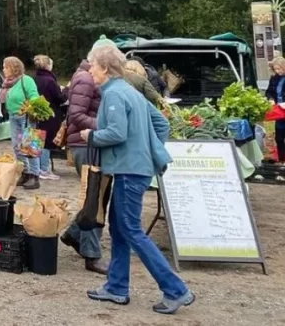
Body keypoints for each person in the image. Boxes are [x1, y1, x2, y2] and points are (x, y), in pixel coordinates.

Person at [82, 44, 195, 315]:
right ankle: (116, 287)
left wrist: (92, 136)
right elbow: (162, 124)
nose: (90, 71)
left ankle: (176, 290)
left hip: (128, 171)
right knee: (119, 229)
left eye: (92, 66)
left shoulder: (113, 95)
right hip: (137, 169)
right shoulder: (130, 91)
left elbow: (117, 133)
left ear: (105, 68)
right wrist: (148, 149)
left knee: (130, 229)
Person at [62, 52, 106, 274]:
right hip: (85, 144)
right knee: (93, 199)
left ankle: (73, 234)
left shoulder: (86, 79)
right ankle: (91, 254)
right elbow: (76, 114)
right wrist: (105, 124)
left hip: (90, 144)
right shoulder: (87, 80)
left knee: (96, 197)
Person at [1, 57, 41, 191]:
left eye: (6, 67)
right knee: (16, 146)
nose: (3, 70)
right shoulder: (9, 83)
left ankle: (35, 176)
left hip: (26, 116)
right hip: (13, 116)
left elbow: (34, 95)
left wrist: (29, 107)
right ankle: (25, 172)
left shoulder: (27, 80)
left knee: (29, 146)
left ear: (14, 68)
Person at [29, 55, 66, 181]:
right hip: (50, 114)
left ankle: (34, 168)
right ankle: (43, 169)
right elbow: (60, 98)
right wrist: (66, 90)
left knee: (35, 140)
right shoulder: (50, 80)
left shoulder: (33, 79)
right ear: (48, 65)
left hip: (35, 114)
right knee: (46, 143)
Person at [266, 57, 285, 162]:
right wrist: (271, 99)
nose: (278, 71)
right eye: (276, 69)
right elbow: (269, 91)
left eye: (279, 69)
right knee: (279, 138)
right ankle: (282, 160)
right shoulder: (274, 78)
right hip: (280, 111)